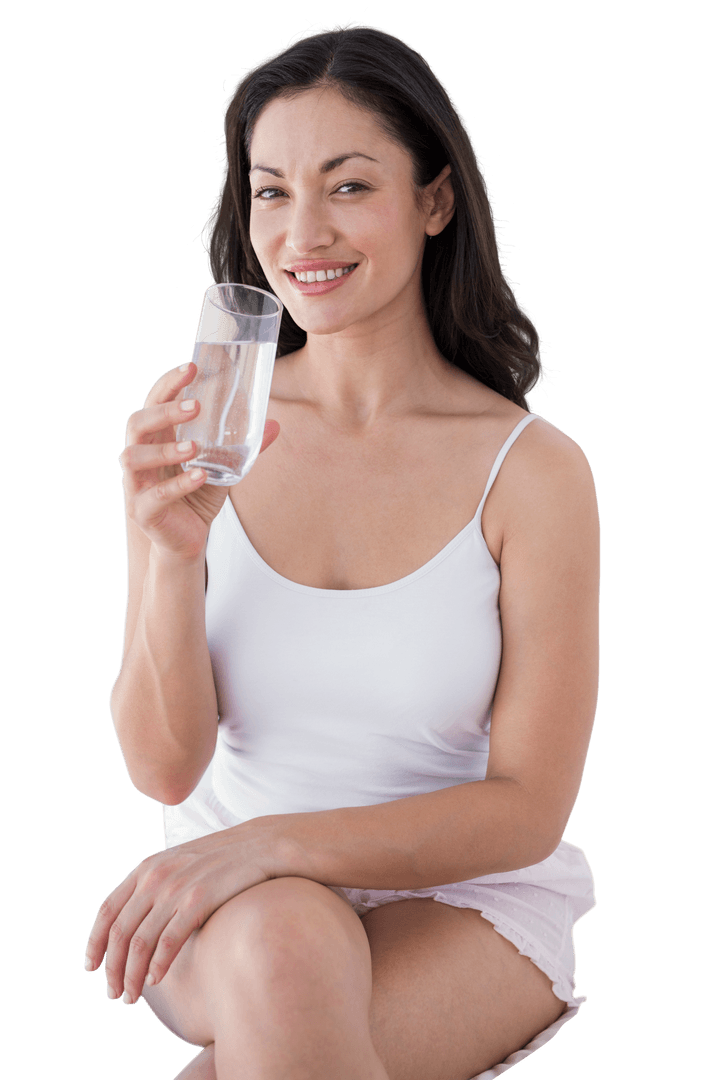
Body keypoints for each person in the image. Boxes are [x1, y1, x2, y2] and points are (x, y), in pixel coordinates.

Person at [85, 22, 600, 1080]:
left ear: (435, 201)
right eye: (271, 191)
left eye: (348, 185)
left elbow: (527, 808)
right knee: (285, 935)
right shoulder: (205, 427)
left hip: (462, 903)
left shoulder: (534, 473)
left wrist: (276, 844)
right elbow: (163, 764)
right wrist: (166, 554)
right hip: (224, 906)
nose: (301, 231)